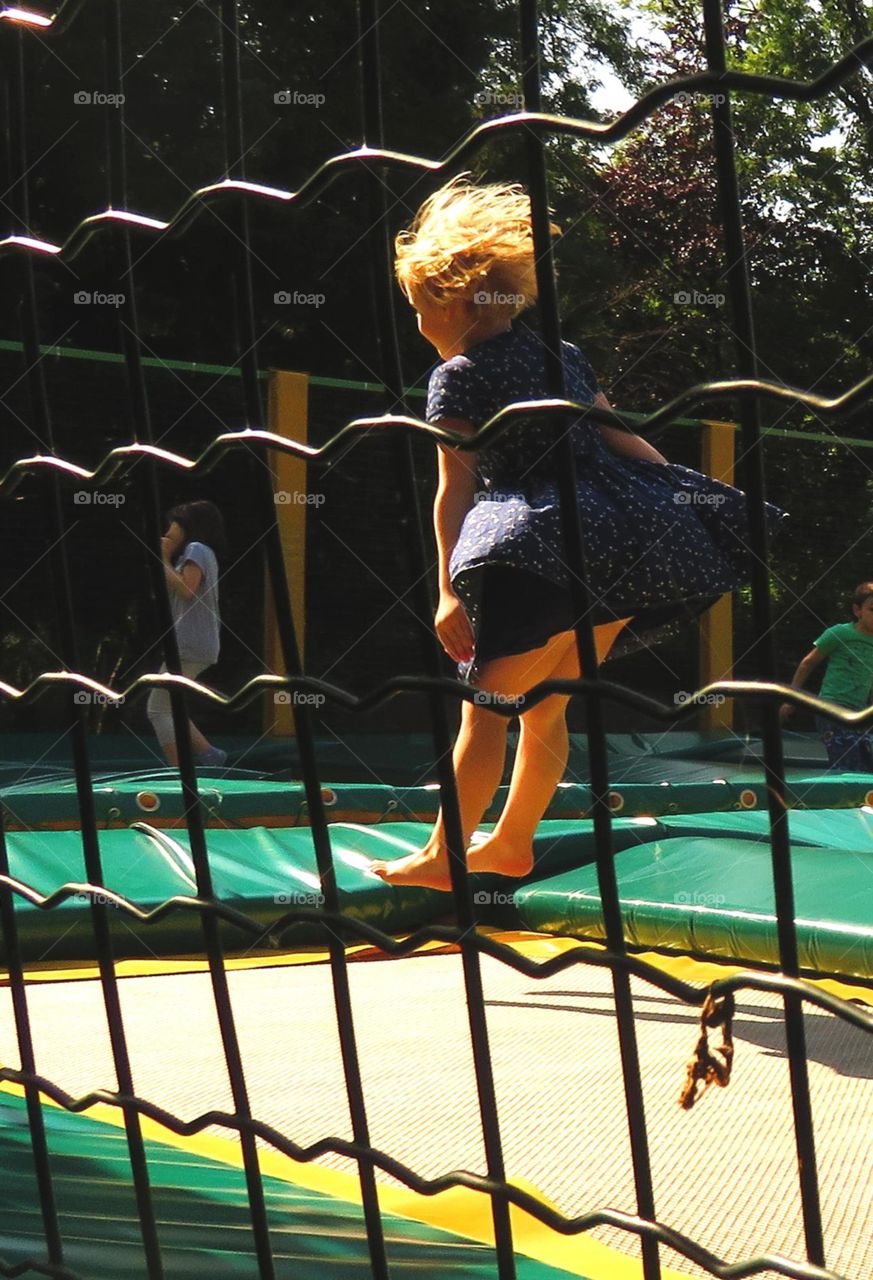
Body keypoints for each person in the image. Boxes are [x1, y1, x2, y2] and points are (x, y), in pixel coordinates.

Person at [370, 174, 786, 890]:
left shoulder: (456, 376)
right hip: (623, 539)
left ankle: (446, 855)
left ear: (449, 302)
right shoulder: (562, 354)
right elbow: (620, 437)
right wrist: (685, 494)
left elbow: (456, 485)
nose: (414, 321)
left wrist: (445, 589)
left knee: (488, 705)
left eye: (415, 307)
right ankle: (510, 844)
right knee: (549, 702)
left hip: (537, 543)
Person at [147, 500, 228, 768]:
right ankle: (208, 754)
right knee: (169, 707)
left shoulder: (197, 549)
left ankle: (179, 771)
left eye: (175, 523)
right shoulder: (193, 555)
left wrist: (162, 558)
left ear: (188, 526)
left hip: (190, 643)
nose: (169, 529)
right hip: (194, 643)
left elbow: (186, 590)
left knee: (157, 709)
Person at [780, 582, 873, 772]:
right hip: (831, 707)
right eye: (872, 609)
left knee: (864, 756)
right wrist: (791, 699)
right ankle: (842, 793)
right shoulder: (840, 633)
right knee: (845, 754)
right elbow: (808, 663)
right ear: (858, 610)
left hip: (859, 710)